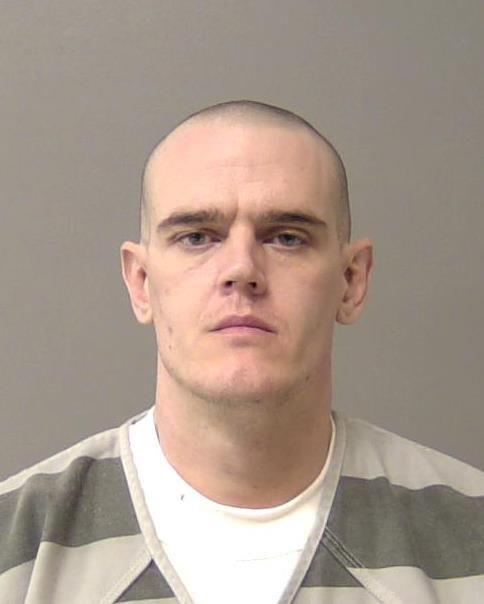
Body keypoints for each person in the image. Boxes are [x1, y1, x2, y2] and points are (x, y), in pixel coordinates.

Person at [0, 100, 483, 604]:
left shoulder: (471, 538)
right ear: (141, 283)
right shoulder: (16, 547)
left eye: (287, 238)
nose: (241, 269)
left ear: (351, 280)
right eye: (196, 237)